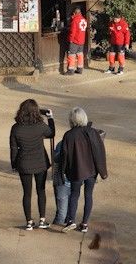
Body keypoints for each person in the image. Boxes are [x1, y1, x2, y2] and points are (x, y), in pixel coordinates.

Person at [58, 107, 109, 233]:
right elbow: (99, 151)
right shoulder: (93, 132)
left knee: (74, 195)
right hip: (91, 170)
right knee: (88, 195)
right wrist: (102, 171)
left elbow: (64, 155)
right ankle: (85, 223)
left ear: (72, 120)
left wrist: (62, 171)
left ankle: (71, 221)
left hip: (76, 170)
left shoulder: (69, 135)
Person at [9, 99, 56, 230]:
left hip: (24, 164)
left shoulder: (16, 128)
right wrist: (50, 118)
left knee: (27, 193)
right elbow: (51, 133)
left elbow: (13, 148)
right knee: (41, 191)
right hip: (40, 162)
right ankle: (42, 220)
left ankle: (29, 222)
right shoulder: (40, 126)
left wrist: (13, 164)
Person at [51, 140, 71, 226]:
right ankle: (55, 233)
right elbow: (56, 158)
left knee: (67, 212)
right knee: (62, 213)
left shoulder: (63, 142)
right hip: (63, 180)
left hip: (72, 181)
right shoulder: (63, 143)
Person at [65, 6, 87, 74]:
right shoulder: (84, 19)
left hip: (75, 40)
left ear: (74, 13)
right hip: (82, 41)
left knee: (72, 55)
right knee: (80, 55)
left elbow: (73, 32)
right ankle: (80, 69)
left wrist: (71, 40)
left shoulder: (75, 20)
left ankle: (70, 70)